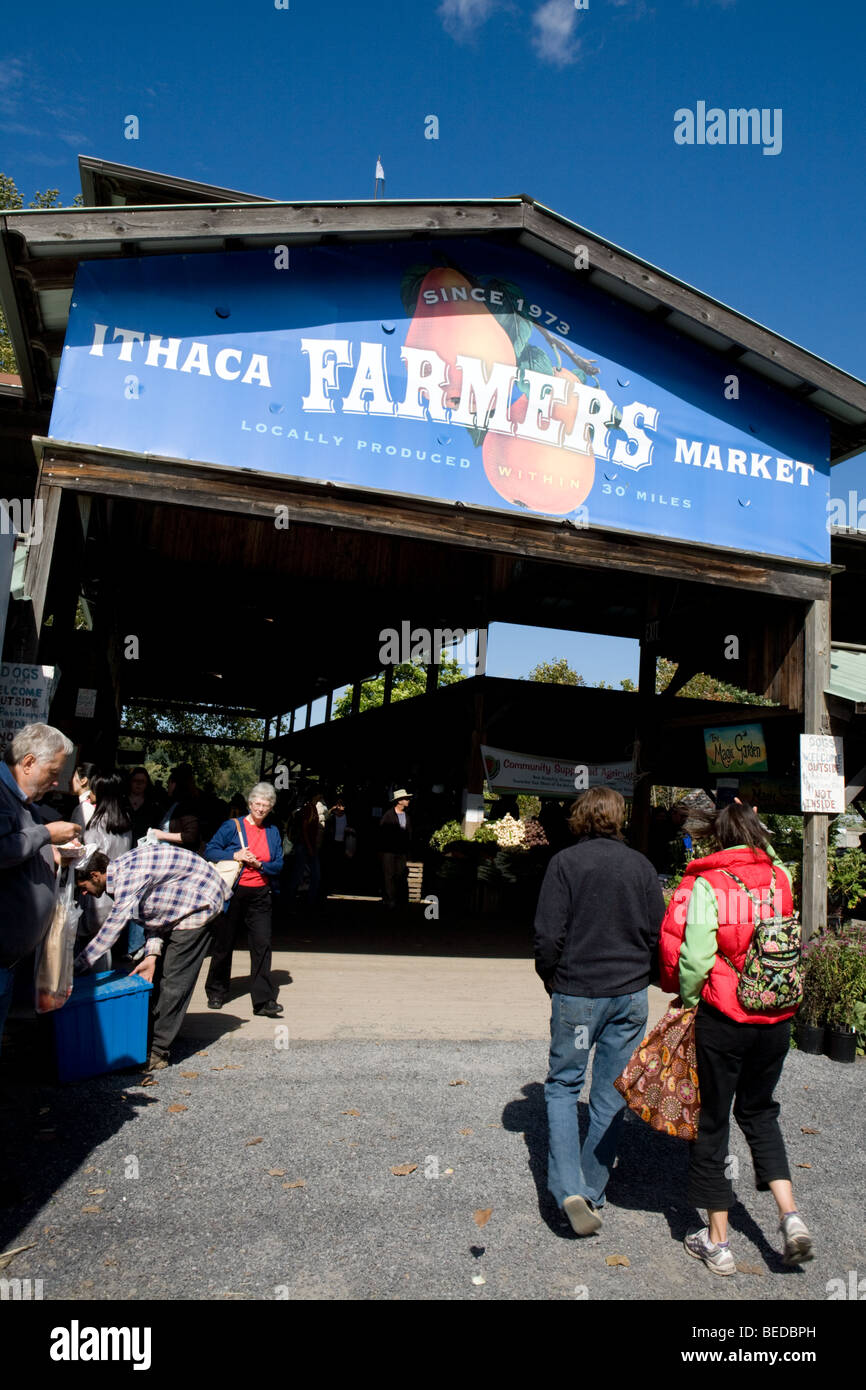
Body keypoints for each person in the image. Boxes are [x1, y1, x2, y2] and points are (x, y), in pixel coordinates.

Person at [659, 800, 813, 1274]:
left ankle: (718, 1243)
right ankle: (790, 1216)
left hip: (725, 1018)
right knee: (760, 1113)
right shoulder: (780, 877)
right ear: (757, 833)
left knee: (712, 1122)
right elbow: (770, 861)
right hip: (777, 1018)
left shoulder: (708, 883)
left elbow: (697, 956)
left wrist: (687, 1000)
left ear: (717, 839)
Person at [534, 786, 665, 1235]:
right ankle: (592, 1187)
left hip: (577, 997)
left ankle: (569, 1188)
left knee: (563, 1088)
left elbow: (548, 936)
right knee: (611, 1092)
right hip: (628, 998)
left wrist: (550, 977)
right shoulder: (642, 867)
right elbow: (657, 934)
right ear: (619, 818)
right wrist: (641, 976)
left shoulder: (564, 864)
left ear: (580, 818)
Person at [74, 842, 228, 1070]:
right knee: (153, 977)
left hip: (200, 906)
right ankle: (146, 1040)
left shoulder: (128, 878)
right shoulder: (122, 874)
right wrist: (152, 955)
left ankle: (157, 1052)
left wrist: (74, 971)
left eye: (83, 885)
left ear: (95, 875)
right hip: (179, 908)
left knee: (174, 981)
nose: (83, 892)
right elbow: (155, 913)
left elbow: (110, 932)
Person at [0, 724, 81, 1054]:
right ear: (29, 762)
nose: (56, 783)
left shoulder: (22, 802)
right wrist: (46, 835)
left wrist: (54, 854)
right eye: (52, 772)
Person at [203, 782, 284, 1017]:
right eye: (257, 804)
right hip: (233, 893)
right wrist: (235, 854)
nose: (261, 808)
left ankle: (263, 1000)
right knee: (223, 943)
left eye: (266, 805)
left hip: (260, 894)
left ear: (271, 808)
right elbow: (210, 850)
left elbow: (278, 864)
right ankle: (216, 991)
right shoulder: (232, 826)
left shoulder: (273, 831)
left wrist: (260, 865)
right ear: (250, 804)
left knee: (262, 945)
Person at [82, 771, 136, 966]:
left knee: (97, 948)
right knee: (108, 946)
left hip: (98, 893)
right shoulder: (126, 820)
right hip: (119, 892)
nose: (89, 794)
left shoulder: (96, 824)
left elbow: (89, 859)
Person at [151, 764, 202, 854]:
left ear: (174, 784)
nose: (167, 787)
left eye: (168, 783)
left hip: (178, 855)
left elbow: (191, 836)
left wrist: (162, 835)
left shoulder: (187, 806)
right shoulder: (175, 804)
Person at [378, 789, 413, 910]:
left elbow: (409, 834)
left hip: (401, 851)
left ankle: (396, 898)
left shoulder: (407, 816)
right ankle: (390, 899)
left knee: (400, 874)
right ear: (399, 801)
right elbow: (381, 833)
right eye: (406, 799)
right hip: (389, 850)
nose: (408, 801)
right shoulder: (388, 815)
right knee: (389, 875)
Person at [126, 767, 162, 842]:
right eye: (135, 780)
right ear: (130, 781)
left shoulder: (153, 805)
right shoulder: (121, 802)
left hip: (144, 846)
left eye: (142, 781)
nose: (139, 783)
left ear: (147, 783)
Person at [70, 762, 98, 832]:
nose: (70, 781)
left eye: (73, 776)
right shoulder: (90, 804)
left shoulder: (85, 807)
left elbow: (81, 836)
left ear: (83, 781)